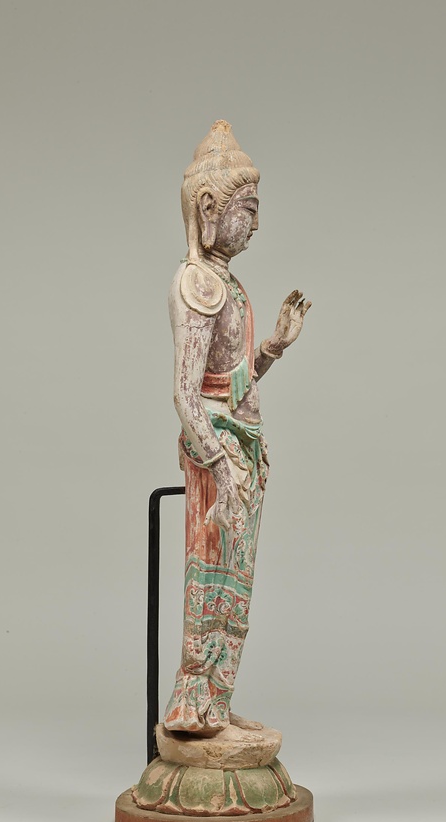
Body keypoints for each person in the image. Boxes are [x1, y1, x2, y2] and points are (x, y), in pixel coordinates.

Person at [163, 121, 311, 735]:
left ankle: (215, 705)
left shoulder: (228, 282)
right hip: (218, 451)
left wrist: (273, 346)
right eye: (247, 210)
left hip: (240, 447)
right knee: (213, 574)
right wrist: (222, 469)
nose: (255, 224)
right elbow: (186, 394)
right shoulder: (196, 282)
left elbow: (230, 382)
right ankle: (190, 705)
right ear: (208, 208)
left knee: (237, 585)